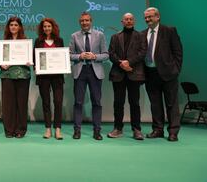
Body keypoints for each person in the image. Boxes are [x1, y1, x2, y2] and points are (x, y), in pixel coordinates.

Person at [143, 7, 183, 142]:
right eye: (146, 18)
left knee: (171, 104)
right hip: (150, 74)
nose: (148, 20)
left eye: (150, 17)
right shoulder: (143, 34)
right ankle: (157, 130)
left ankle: (173, 132)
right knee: (155, 104)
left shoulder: (169, 31)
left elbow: (178, 52)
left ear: (158, 17)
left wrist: (175, 69)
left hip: (168, 74)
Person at [69, 12, 108, 140]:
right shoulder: (74, 36)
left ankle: (97, 131)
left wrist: (95, 56)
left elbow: (106, 54)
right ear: (79, 22)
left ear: (91, 21)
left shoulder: (100, 35)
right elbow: (69, 55)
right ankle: (77, 130)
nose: (84, 23)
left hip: (94, 71)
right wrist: (79, 56)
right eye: (82, 21)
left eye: (87, 20)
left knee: (96, 102)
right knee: (78, 102)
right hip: (80, 71)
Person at [107, 13, 146, 140]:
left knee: (134, 103)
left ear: (134, 21)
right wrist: (121, 63)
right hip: (118, 74)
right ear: (122, 21)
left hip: (134, 74)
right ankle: (118, 128)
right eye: (126, 19)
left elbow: (142, 53)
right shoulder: (115, 37)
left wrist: (129, 62)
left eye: (131, 19)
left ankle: (137, 129)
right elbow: (111, 53)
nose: (128, 21)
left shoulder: (140, 36)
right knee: (118, 103)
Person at [0, 16, 31, 138]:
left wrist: (29, 61)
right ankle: (9, 130)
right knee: (8, 104)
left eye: (16, 25)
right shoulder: (4, 42)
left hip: (23, 74)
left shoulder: (26, 41)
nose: (13, 27)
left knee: (21, 103)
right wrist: (1, 64)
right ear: (8, 27)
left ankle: (20, 130)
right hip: (7, 75)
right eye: (11, 25)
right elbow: (2, 60)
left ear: (20, 27)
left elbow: (30, 58)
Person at [34, 18, 65, 140]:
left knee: (58, 102)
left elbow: (63, 57)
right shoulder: (38, 41)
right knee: (46, 103)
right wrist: (36, 67)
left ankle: (58, 129)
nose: (47, 28)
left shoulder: (59, 41)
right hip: (43, 78)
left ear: (53, 27)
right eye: (45, 26)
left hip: (57, 77)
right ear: (42, 29)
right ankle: (48, 129)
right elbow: (35, 58)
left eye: (49, 26)